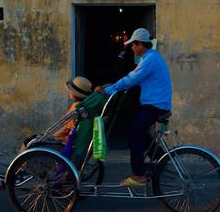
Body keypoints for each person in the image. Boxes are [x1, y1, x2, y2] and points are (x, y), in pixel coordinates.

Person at [95, 28, 172, 187]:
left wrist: (108, 90)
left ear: (140, 45)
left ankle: (138, 175)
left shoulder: (150, 59)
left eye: (133, 45)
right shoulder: (149, 58)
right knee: (139, 129)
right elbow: (133, 78)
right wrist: (116, 86)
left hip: (155, 105)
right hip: (154, 103)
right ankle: (161, 158)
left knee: (133, 133)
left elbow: (132, 79)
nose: (131, 48)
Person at [21, 76, 93, 151]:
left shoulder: (76, 107)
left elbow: (66, 129)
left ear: (74, 93)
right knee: (31, 140)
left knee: (28, 142)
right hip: (69, 141)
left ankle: (19, 163)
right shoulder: (83, 107)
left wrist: (50, 137)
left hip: (63, 141)